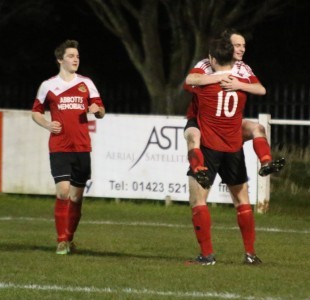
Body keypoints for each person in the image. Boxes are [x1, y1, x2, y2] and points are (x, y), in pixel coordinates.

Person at [185, 37, 262, 265]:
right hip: (234, 146)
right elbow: (258, 89)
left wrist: (211, 77)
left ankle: (207, 255)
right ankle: (250, 254)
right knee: (242, 199)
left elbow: (189, 82)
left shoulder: (204, 87)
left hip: (210, 147)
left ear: (212, 59)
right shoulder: (240, 85)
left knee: (198, 199)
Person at [184, 29, 285, 188]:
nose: (242, 49)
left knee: (257, 128)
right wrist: (218, 77)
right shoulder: (207, 63)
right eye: (237, 45)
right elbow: (190, 79)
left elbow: (261, 89)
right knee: (193, 137)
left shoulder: (242, 67)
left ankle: (266, 162)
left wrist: (239, 84)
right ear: (226, 46)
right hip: (204, 121)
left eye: (243, 45)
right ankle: (198, 169)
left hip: (230, 123)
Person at [31, 39, 105, 255]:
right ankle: (61, 240)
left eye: (77, 56)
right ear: (60, 59)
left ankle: (70, 237)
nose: (76, 59)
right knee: (64, 192)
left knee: (76, 197)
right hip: (59, 146)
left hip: (82, 147)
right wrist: (47, 123)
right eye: (71, 56)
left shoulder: (86, 83)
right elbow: (35, 111)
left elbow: (101, 110)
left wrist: (96, 109)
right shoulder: (48, 85)